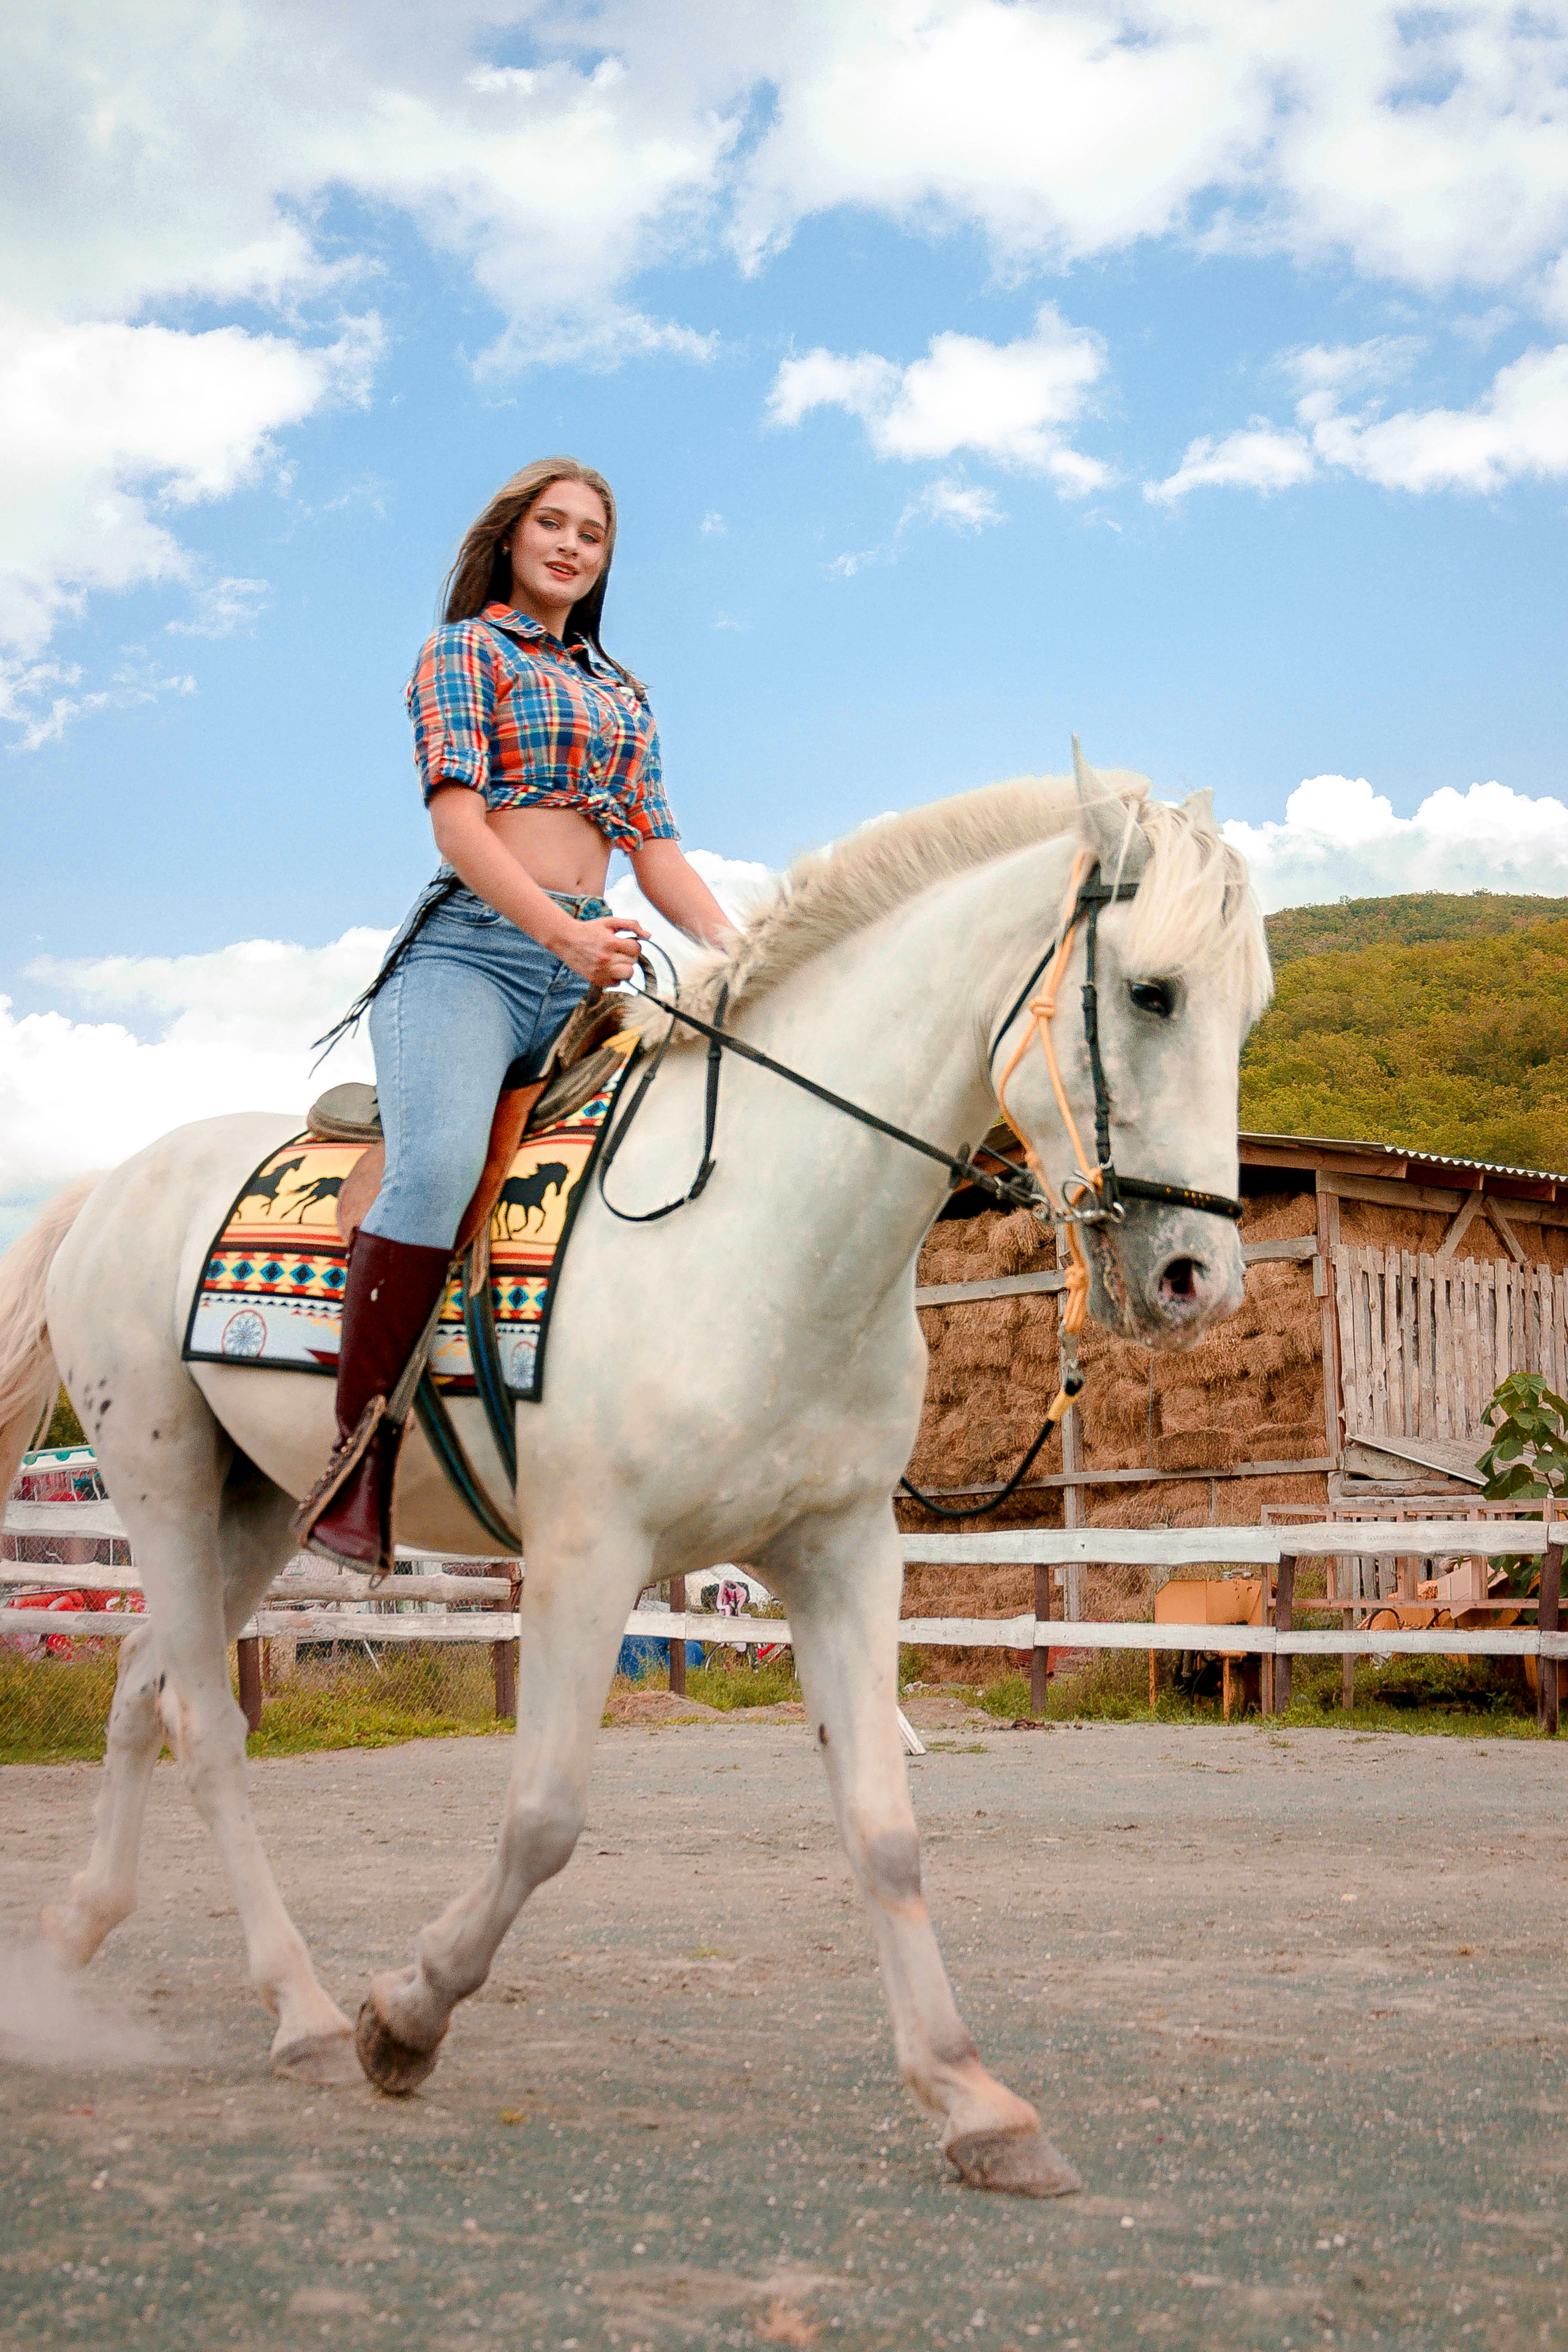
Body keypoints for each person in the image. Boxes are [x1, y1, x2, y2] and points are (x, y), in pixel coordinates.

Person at [294, 457, 730, 1571]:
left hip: (587, 977)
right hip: (472, 960)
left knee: (702, 1140)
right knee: (436, 1171)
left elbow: (658, 854)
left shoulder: (624, 692)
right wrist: (564, 934)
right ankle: (357, 1458)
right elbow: (458, 826)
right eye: (553, 523)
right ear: (511, 535)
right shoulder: (465, 653)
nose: (573, 545)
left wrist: (751, 957)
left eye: (593, 533)